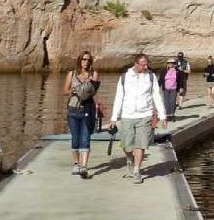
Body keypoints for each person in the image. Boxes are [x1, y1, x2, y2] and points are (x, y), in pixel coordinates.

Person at [107, 53, 167, 184]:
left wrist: (162, 115)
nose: (145, 67)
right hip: (127, 115)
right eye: (142, 64)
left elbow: (156, 95)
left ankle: (136, 170)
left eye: (146, 64)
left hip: (144, 114)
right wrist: (113, 117)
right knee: (126, 145)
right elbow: (119, 97)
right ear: (136, 64)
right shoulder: (125, 77)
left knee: (141, 144)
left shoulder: (150, 77)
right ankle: (130, 158)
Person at [64, 51, 100, 179]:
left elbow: (94, 92)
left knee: (85, 138)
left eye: (88, 60)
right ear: (80, 60)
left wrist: (89, 85)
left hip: (87, 109)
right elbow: (65, 90)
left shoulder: (94, 74)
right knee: (75, 138)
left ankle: (83, 167)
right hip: (73, 109)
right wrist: (76, 90)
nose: (86, 62)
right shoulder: (72, 74)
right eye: (84, 59)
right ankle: (76, 164)